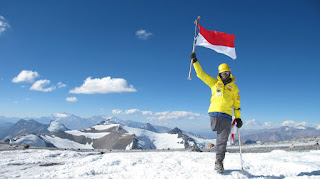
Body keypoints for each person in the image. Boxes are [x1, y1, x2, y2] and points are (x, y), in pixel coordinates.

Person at [190, 52, 243, 173]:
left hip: (226, 116)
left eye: (227, 73)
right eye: (223, 73)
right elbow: (201, 74)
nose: (225, 75)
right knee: (215, 131)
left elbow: (237, 105)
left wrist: (238, 118)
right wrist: (195, 62)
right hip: (214, 114)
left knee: (222, 140)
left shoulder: (234, 88)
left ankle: (219, 161)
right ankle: (218, 153)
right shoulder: (214, 83)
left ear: (230, 73)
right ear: (220, 74)